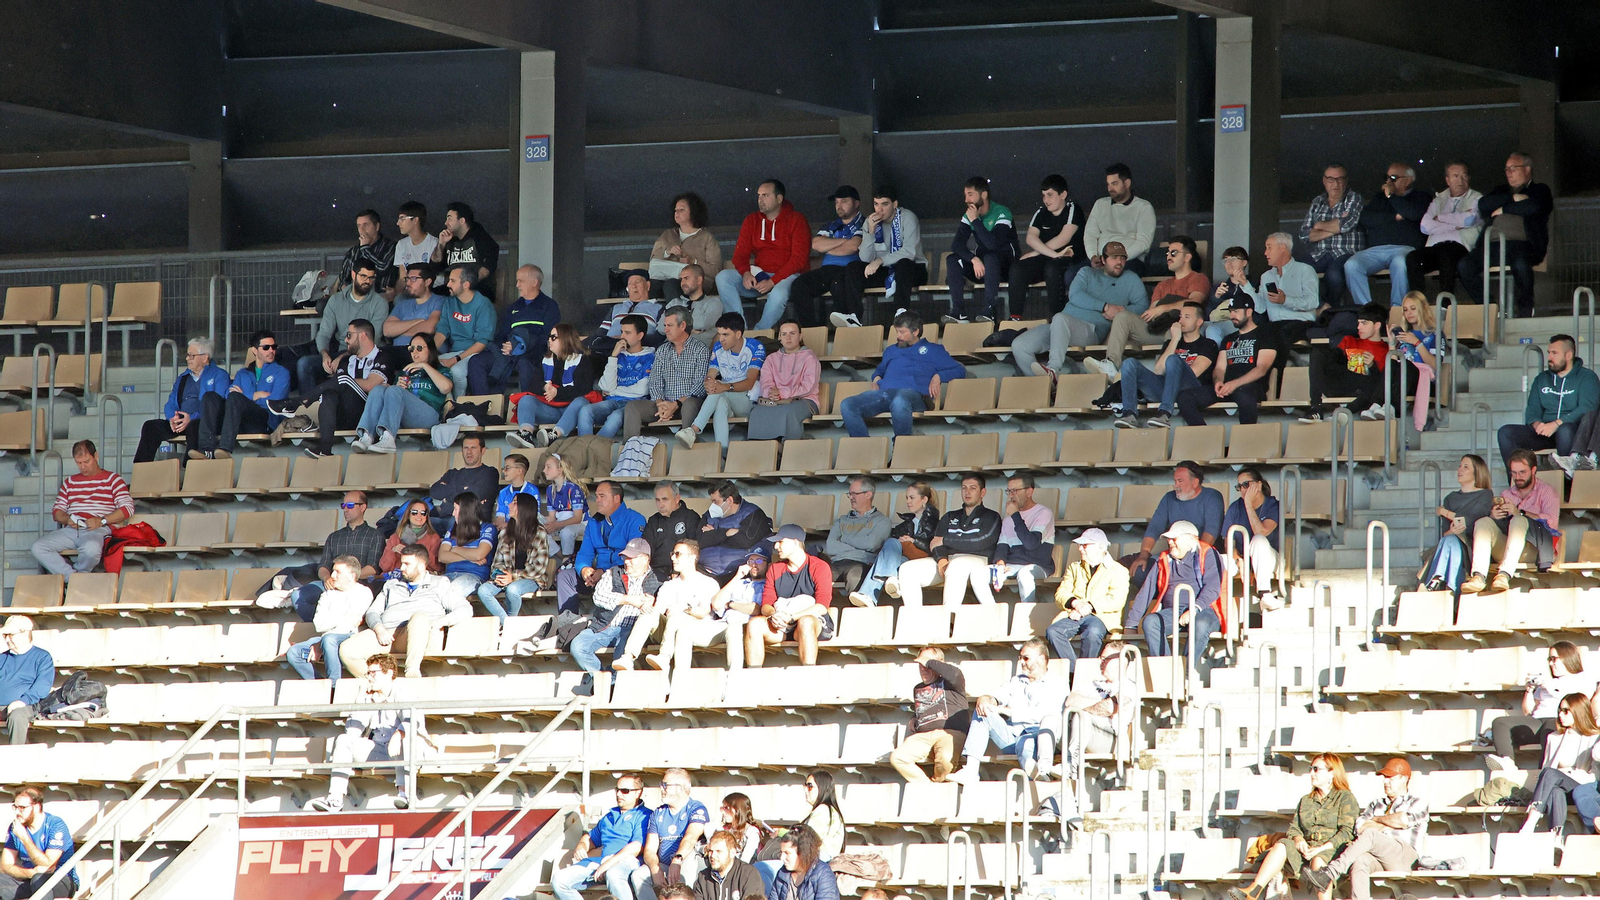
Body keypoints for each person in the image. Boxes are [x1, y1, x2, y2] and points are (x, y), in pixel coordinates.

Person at [307, 653, 434, 811]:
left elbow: (413, 721)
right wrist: (360, 702)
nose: (369, 677)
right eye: (368, 673)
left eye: (373, 673)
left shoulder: (403, 691)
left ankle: (405, 793)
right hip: (381, 749)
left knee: (404, 738)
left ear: (388, 673)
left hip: (412, 750)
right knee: (343, 740)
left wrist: (397, 735)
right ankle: (335, 799)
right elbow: (352, 731)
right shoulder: (368, 696)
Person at [1224, 753, 1358, 900]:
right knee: (1282, 845)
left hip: (1332, 850)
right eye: (1310, 769)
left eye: (1316, 769)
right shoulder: (1306, 800)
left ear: (1331, 773)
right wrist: (1299, 840)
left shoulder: (1345, 798)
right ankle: (1252, 891)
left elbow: (1347, 832)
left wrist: (1321, 848)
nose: (1311, 773)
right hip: (1306, 848)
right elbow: (1294, 827)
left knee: (1318, 861)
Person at [1011, 241, 1148, 378]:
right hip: (1060, 327)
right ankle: (1047, 386)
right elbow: (1075, 295)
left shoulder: (1131, 278)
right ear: (1103, 259)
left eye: (1123, 258)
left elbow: (1142, 306)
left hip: (1090, 331)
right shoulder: (1087, 272)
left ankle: (1053, 369)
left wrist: (1121, 311)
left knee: (1060, 318)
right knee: (1019, 345)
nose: (1119, 262)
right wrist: (1105, 306)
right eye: (1114, 258)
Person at [1301, 758, 1429, 900]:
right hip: (1379, 857)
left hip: (1405, 856)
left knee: (1371, 834)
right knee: (1360, 860)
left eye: (1390, 778)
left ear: (1404, 779)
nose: (1385, 782)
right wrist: (1389, 823)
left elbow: (1403, 820)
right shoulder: (1376, 804)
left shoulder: (1417, 802)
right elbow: (1360, 828)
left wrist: (1376, 820)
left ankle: (1330, 873)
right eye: (1384, 778)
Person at [339, 544, 472, 678]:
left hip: (420, 634)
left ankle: (412, 673)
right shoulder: (392, 584)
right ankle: (377, 684)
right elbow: (372, 612)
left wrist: (441, 622)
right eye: (401, 563)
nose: (401, 568)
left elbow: (465, 609)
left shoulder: (439, 583)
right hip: (387, 634)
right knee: (347, 650)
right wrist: (379, 629)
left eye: (407, 564)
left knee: (419, 618)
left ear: (421, 566)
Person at [1086, 234, 1208, 376]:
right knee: (1123, 316)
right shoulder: (1162, 285)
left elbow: (1194, 302)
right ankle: (1111, 364)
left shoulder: (1199, 278)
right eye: (1167, 253)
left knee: (1175, 328)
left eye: (1173, 253)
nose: (1168, 256)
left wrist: (1162, 308)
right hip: (1157, 329)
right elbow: (1151, 314)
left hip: (1179, 329)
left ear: (1187, 257)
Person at [949, 638, 1066, 783]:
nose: (1021, 662)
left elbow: (1046, 716)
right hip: (1011, 736)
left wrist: (1004, 711)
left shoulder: (1057, 683)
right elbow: (996, 697)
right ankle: (971, 770)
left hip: (1037, 736)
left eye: (1026, 658)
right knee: (982, 711)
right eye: (1020, 658)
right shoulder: (1015, 681)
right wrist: (986, 699)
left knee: (1027, 744)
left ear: (1041, 659)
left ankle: (1039, 778)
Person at [259, 490, 383, 620]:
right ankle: (320, 626)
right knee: (298, 597)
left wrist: (346, 579)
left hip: (358, 585)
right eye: (343, 505)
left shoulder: (375, 535)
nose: (345, 509)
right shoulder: (334, 537)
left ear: (363, 507)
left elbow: (373, 568)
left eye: (350, 505)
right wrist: (327, 578)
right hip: (331, 584)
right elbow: (323, 566)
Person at [839, 312, 966, 438]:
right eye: (897, 331)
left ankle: (900, 448)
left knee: (900, 400)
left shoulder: (934, 350)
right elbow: (880, 371)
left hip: (915, 395)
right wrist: (876, 378)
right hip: (885, 393)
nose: (898, 336)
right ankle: (862, 449)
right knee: (847, 404)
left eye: (902, 332)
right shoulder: (890, 350)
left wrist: (938, 377)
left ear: (915, 332)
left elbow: (959, 370)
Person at [1485, 640, 1600, 772]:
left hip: (1559, 720)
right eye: (1549, 659)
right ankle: (1507, 761)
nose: (1551, 663)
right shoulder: (1548, 682)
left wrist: (1551, 688)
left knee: (1550, 729)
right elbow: (1528, 711)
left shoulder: (1582, 678)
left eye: (1554, 659)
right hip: (1537, 720)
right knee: (1500, 722)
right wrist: (1529, 691)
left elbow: (1578, 701)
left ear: (1567, 657)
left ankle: (1543, 773)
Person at [891, 473, 1001, 607]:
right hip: (947, 560)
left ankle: (948, 618)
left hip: (977, 560)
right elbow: (935, 543)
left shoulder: (991, 516)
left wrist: (946, 541)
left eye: (973, 488)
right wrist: (941, 558)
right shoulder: (950, 516)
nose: (967, 492)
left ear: (982, 492)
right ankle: (915, 620)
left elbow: (981, 542)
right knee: (907, 569)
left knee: (957, 565)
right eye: (964, 488)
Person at [1465, 151, 1553, 318]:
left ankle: (1526, 308)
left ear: (1527, 169)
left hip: (1522, 244)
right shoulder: (1501, 190)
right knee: (1465, 266)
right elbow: (1483, 205)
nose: (1509, 172)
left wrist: (1503, 209)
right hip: (1492, 244)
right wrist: (1513, 198)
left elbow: (1534, 206)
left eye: (1513, 168)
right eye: (1506, 169)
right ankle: (1491, 309)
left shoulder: (1539, 189)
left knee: (1520, 264)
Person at [1461, 449, 1560, 595]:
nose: (1517, 477)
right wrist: (1494, 516)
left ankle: (1504, 575)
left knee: (1519, 519)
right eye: (1513, 473)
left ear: (1533, 470)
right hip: (1507, 546)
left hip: (1534, 548)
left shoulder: (1547, 492)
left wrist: (1521, 513)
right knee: (1484, 522)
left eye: (1522, 472)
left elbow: (1552, 523)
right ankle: (1478, 576)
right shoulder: (1507, 494)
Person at [717, 178, 811, 331]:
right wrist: (746, 273)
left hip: (789, 276)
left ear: (779, 199)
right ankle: (738, 330)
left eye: (765, 195)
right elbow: (740, 255)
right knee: (723, 277)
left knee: (779, 293)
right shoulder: (751, 220)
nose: (760, 200)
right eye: (759, 195)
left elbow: (799, 260)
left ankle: (759, 333)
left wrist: (773, 281)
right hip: (760, 277)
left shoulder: (796, 220)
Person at [570, 538, 660, 696]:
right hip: (605, 626)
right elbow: (598, 597)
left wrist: (654, 603)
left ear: (646, 558)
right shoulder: (613, 572)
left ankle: (609, 687)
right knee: (578, 646)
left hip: (633, 630)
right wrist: (628, 599)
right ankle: (603, 679)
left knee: (623, 654)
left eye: (632, 558)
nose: (627, 562)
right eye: (626, 557)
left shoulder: (659, 579)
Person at [1176, 295, 1283, 427]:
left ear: (1248, 312)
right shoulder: (1228, 339)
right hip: (1227, 387)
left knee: (1243, 394)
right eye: (1231, 311)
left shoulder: (1265, 335)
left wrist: (1235, 384)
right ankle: (1205, 436)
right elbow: (1220, 368)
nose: (1232, 315)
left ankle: (1245, 440)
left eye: (1236, 311)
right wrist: (1218, 382)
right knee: (1185, 397)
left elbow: (1261, 369)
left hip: (1251, 387)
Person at [30, 440, 132, 577]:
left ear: (96, 456)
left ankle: (77, 578)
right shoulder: (70, 482)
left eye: (86, 461)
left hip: (98, 528)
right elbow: (57, 511)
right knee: (38, 547)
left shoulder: (113, 480)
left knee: (91, 549)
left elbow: (128, 509)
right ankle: (74, 579)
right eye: (79, 463)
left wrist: (101, 521)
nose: (83, 467)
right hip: (72, 529)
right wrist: (67, 519)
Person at [295, 319, 393, 460]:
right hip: (344, 416)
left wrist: (346, 381)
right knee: (329, 394)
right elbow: (338, 384)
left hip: (368, 416)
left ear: (362, 336)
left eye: (349, 335)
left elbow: (371, 385)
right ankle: (325, 448)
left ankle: (296, 402)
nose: (345, 340)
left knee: (342, 380)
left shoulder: (383, 357)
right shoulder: (346, 360)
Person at [1498, 334, 1599, 470]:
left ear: (1568, 355)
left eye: (1554, 353)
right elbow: (1532, 409)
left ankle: (1568, 484)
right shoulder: (1542, 379)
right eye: (1549, 353)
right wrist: (1537, 424)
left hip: (1572, 432)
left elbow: (1587, 408)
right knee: (1505, 432)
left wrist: (1556, 424)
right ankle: (1517, 481)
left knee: (1565, 430)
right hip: (1545, 432)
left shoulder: (1586, 377)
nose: (1549, 358)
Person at [1109, 302, 1217, 429]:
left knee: (1173, 359)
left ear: (1199, 322)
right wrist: (1175, 340)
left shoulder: (1208, 344)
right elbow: (1159, 370)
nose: (1181, 320)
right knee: (1129, 363)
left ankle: (1164, 414)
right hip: (1165, 388)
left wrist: (1175, 362)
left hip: (1189, 390)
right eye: (1181, 316)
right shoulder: (1171, 343)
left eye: (1187, 317)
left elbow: (1195, 372)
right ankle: (1129, 414)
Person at [1124, 521, 1222, 658]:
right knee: (1151, 622)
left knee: (1199, 624)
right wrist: (1131, 624)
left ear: (1190, 539)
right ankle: (1166, 670)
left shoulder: (1208, 553)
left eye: (1174, 539)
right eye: (1169, 539)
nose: (1170, 542)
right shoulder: (1164, 559)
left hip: (1204, 610)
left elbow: (1213, 587)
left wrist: (1194, 609)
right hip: (1173, 612)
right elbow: (1146, 592)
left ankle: (1187, 673)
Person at [291, 259, 390, 393]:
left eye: (371, 277)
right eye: (364, 276)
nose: (368, 281)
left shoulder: (380, 303)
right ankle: (307, 409)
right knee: (304, 364)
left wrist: (344, 356)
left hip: (365, 356)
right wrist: (325, 354)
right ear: (354, 275)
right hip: (338, 352)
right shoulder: (336, 299)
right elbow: (324, 333)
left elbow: (373, 339)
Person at [550, 773, 652, 900]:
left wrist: (609, 863)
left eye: (625, 791)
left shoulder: (644, 815)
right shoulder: (609, 816)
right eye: (617, 790)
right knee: (559, 880)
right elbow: (590, 838)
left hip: (628, 861)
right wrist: (581, 846)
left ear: (638, 793)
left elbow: (636, 847)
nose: (619, 794)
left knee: (614, 874)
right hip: (602, 861)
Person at [192, 330, 290, 459]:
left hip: (264, 420)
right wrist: (255, 395)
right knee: (210, 396)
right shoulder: (242, 373)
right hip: (240, 420)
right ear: (254, 351)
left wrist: (245, 397)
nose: (271, 350)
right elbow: (228, 396)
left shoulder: (281, 372)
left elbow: (275, 402)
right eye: (266, 347)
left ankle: (225, 448)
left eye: (274, 347)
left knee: (236, 398)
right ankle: (206, 450)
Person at [746, 525, 834, 667]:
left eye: (781, 542)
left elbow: (822, 606)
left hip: (812, 622)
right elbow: (766, 604)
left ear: (794, 542)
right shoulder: (775, 568)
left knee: (805, 622)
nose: (776, 546)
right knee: (754, 624)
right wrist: (774, 615)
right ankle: (754, 675)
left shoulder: (819, 566)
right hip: (782, 622)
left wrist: (793, 617)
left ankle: (809, 673)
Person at [635, 541, 725, 677]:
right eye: (672, 554)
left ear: (692, 558)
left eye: (678, 554)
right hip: (668, 630)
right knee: (647, 614)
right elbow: (658, 610)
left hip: (699, 629)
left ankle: (665, 657)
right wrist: (647, 608)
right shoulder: (668, 585)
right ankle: (628, 657)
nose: (672, 558)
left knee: (677, 615)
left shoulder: (708, 583)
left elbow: (702, 613)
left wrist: (684, 608)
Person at [1344, 163, 1429, 307]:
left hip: (1404, 248)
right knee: (1352, 265)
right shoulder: (1379, 198)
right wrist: (1393, 217)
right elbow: (1365, 218)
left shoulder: (1421, 196)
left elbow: (1413, 213)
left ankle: (1398, 309)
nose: (1388, 182)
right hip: (1376, 250)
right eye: (1387, 177)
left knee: (1400, 263)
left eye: (1394, 178)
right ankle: (1367, 311)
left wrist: (1391, 196)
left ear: (1408, 180)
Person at [133, 336, 229, 463]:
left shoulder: (219, 376)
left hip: (203, 423)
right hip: (180, 423)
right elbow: (171, 402)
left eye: (192, 355)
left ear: (205, 358)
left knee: (195, 425)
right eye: (187, 355)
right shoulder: (183, 378)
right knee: (150, 426)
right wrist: (173, 417)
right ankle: (141, 470)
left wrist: (192, 417)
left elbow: (217, 405)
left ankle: (189, 467)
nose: (187, 358)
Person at [677, 313, 765, 451]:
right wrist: (709, 383)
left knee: (719, 394)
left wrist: (724, 387)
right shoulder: (718, 348)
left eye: (725, 335)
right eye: (719, 334)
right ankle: (722, 450)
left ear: (738, 334)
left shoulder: (755, 347)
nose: (721, 339)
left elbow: (749, 383)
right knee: (719, 401)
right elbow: (710, 375)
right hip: (726, 398)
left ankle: (693, 430)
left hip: (749, 401)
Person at [351, 332, 450, 454]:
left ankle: (388, 438)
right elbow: (394, 399)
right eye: (411, 349)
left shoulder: (440, 370)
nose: (415, 352)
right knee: (378, 389)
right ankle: (367, 436)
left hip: (429, 415)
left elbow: (446, 388)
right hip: (405, 416)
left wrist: (424, 366)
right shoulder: (405, 372)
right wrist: (397, 388)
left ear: (430, 349)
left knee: (393, 390)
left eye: (419, 348)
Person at [557, 481, 647, 614]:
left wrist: (605, 572)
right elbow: (585, 553)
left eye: (602, 496)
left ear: (616, 498)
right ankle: (567, 625)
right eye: (597, 496)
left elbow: (634, 556)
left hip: (621, 574)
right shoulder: (594, 522)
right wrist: (584, 569)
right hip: (595, 576)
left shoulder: (635, 520)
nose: (597, 500)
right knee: (565, 577)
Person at [472, 263, 562, 394]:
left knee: (524, 364)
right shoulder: (513, 307)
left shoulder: (549, 306)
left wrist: (521, 346)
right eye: (517, 281)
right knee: (476, 361)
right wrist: (506, 346)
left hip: (533, 355)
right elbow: (502, 334)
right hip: (507, 354)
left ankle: (526, 404)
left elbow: (549, 337)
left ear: (534, 282)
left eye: (521, 281)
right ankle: (482, 406)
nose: (517, 285)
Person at [1046, 529, 1128, 671]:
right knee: (1053, 632)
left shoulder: (1118, 570)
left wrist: (1087, 606)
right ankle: (1076, 673)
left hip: (1101, 617)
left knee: (1093, 632)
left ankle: (1084, 673)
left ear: (1101, 547)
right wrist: (1076, 603)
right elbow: (1061, 593)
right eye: (1080, 545)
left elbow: (1116, 600)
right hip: (1075, 614)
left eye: (1085, 545)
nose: (1080, 548)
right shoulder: (1074, 567)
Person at [623, 310, 712, 440]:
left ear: (682, 326)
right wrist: (660, 403)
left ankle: (689, 446)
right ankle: (629, 452)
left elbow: (700, 385)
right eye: (665, 326)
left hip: (688, 403)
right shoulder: (662, 350)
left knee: (689, 404)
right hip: (663, 405)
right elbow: (654, 381)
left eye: (669, 325)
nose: (666, 330)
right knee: (633, 407)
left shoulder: (700, 349)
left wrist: (676, 404)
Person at [1130, 462, 1225, 582]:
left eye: (1180, 481)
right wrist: (1143, 555)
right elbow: (1154, 528)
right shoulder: (1169, 498)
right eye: (1175, 481)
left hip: (1204, 557)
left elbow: (1211, 530)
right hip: (1174, 556)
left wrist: (1192, 559)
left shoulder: (1212, 496)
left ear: (1195, 482)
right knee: (1140, 571)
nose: (1176, 485)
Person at [509, 324, 600, 449]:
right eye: (549, 337)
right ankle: (525, 434)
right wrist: (545, 388)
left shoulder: (582, 360)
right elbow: (533, 384)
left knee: (581, 401)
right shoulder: (546, 360)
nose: (549, 340)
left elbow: (583, 388)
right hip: (551, 409)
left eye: (553, 337)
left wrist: (558, 392)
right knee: (526, 399)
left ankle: (554, 435)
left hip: (571, 409)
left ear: (566, 339)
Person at [849, 482, 939, 608]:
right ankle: (877, 590)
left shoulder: (936, 522)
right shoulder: (907, 523)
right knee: (889, 549)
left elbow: (934, 546)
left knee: (891, 544)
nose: (908, 501)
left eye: (912, 498)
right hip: (906, 559)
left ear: (924, 499)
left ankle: (872, 591)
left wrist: (913, 541)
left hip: (924, 559)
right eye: (907, 498)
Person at [1008, 174, 1086, 318]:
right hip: (1051, 257)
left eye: (1049, 195)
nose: (1046, 200)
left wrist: (1037, 252)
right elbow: (1030, 238)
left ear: (1063, 194)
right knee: (1017, 267)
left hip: (1071, 258)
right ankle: (1015, 316)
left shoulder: (1073, 209)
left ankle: (1058, 317)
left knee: (1052, 268)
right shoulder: (1041, 213)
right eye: (1043, 195)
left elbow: (1063, 239)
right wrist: (1053, 254)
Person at [285, 556, 373, 685]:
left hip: (351, 638)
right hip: (327, 638)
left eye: (338, 572)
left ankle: (334, 685)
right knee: (294, 653)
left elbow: (350, 625)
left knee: (329, 639)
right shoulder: (327, 594)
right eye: (333, 571)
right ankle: (323, 686)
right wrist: (343, 615)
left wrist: (331, 620)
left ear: (351, 575)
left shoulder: (363, 592)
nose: (332, 575)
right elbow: (319, 625)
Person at [1519, 695, 1600, 834]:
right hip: (1560, 787)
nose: (1560, 715)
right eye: (1559, 710)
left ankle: (1531, 819)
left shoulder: (1594, 737)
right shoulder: (1553, 738)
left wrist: (1569, 773)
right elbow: (1546, 770)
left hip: (1582, 788)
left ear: (1578, 711)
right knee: (1555, 788)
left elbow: (1594, 777)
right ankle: (1556, 837)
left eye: (1565, 711)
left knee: (1551, 774)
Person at [788, 186, 866, 328]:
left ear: (856, 203)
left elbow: (854, 246)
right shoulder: (831, 225)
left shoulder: (864, 223)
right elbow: (817, 244)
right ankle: (811, 329)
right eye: (836, 202)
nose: (839, 206)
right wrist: (844, 241)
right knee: (799, 285)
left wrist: (829, 246)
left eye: (844, 201)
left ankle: (845, 330)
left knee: (838, 285)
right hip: (827, 269)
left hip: (850, 270)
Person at [889, 647, 970, 783]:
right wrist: (914, 718)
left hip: (949, 733)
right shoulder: (918, 688)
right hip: (923, 736)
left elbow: (955, 674)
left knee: (945, 760)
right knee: (897, 757)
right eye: (920, 665)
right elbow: (926, 708)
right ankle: (928, 787)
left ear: (939, 663)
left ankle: (937, 782)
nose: (923, 668)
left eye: (927, 664)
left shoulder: (953, 682)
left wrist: (930, 662)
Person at [1301, 303, 1392, 422]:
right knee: (1318, 353)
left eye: (1364, 323)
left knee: (1377, 376)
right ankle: (1316, 408)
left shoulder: (1386, 350)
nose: (1359, 327)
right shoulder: (1349, 340)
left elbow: (1382, 384)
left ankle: (1346, 410)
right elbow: (1332, 363)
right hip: (1339, 384)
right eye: (1358, 323)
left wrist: (1372, 366)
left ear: (1377, 325)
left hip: (1365, 392)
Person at [943, 176, 1015, 324]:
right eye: (965, 195)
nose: (966, 200)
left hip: (1006, 268)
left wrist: (976, 220)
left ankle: (990, 310)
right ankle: (958, 312)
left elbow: (993, 245)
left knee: (990, 257)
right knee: (952, 259)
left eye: (970, 194)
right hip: (983, 268)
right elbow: (956, 245)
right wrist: (973, 259)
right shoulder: (969, 215)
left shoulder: (1002, 212)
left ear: (983, 195)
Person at [850, 185, 926, 322]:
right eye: (876, 204)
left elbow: (910, 252)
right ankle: (854, 316)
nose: (879, 210)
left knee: (904, 263)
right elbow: (865, 258)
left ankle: (901, 311)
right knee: (854, 267)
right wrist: (870, 232)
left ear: (894, 204)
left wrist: (880, 260)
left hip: (913, 269)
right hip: (885, 271)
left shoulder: (907, 217)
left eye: (884, 204)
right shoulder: (870, 222)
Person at [1417, 455, 1494, 593]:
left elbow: (1470, 519)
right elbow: (1445, 533)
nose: (1460, 469)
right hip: (1453, 545)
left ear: (1477, 472)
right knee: (1450, 540)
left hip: (1473, 547)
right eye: (1460, 466)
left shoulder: (1485, 495)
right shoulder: (1450, 498)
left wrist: (1443, 512)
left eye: (1465, 467)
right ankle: (1448, 590)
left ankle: (1433, 581)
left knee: (1452, 543)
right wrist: (1452, 530)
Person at [1295, 163, 1365, 307]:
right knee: (1292, 270)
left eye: (1340, 179)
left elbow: (1347, 224)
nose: (1336, 184)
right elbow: (1304, 234)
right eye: (1331, 180)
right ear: (1324, 181)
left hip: (1346, 252)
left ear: (1345, 181)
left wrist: (1319, 225)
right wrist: (1336, 226)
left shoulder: (1353, 198)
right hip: (1319, 254)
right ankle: (1319, 306)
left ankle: (1330, 309)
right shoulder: (1317, 202)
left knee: (1334, 275)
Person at [476, 494, 550, 624]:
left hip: (531, 579)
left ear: (524, 508)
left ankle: (509, 625)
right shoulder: (505, 532)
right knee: (483, 591)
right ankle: (508, 624)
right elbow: (497, 562)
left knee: (513, 590)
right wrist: (500, 575)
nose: (509, 505)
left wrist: (513, 577)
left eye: (514, 503)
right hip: (507, 576)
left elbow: (538, 568)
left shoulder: (539, 532)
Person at [1411, 161, 1481, 297]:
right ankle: (1418, 302)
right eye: (1455, 176)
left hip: (1461, 248)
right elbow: (1425, 226)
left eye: (1464, 176)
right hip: (1435, 248)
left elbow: (1469, 219)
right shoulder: (1439, 199)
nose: (1460, 180)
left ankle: (1445, 304)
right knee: (1412, 258)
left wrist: (1440, 218)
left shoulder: (1477, 198)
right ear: (1447, 180)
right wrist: (1455, 224)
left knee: (1447, 253)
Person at [580, 316, 655, 438]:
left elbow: (642, 390)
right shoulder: (617, 354)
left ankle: (591, 447)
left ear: (640, 336)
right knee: (585, 410)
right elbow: (605, 386)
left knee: (615, 417)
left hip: (633, 405)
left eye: (628, 333)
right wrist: (613, 357)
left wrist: (613, 390)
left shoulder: (650, 357)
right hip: (612, 401)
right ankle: (585, 447)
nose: (622, 337)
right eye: (622, 332)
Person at [641, 768, 710, 897]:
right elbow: (649, 850)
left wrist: (677, 860)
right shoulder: (658, 813)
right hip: (664, 863)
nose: (661, 789)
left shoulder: (696, 808)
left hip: (684, 860)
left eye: (665, 785)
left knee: (688, 862)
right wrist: (655, 869)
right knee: (639, 876)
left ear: (680, 788)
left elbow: (691, 837)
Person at [748, 319, 821, 441]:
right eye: (784, 334)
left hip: (805, 401)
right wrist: (771, 392)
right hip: (775, 400)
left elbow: (808, 387)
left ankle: (788, 448)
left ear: (800, 336)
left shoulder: (810, 358)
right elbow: (766, 382)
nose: (788, 337)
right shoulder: (771, 358)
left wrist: (781, 393)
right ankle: (763, 449)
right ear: (779, 337)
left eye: (792, 333)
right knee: (757, 411)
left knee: (788, 411)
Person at [1223, 468, 1282, 611]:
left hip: (1270, 558)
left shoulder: (1273, 505)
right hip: (1243, 559)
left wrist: (1248, 504)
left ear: (1258, 485)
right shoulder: (1235, 507)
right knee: (1221, 559)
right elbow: (1228, 541)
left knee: (1258, 540)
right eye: (1239, 486)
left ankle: (1265, 594)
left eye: (1246, 485)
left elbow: (1261, 531)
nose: (1243, 490)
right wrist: (1238, 559)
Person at [0, 787, 76, 899]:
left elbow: (47, 865)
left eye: (22, 808)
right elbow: (5, 866)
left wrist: (24, 838)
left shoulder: (55, 825)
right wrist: (30, 873)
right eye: (15, 807)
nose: (17, 812)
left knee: (39, 879)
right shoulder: (15, 827)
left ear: (36, 807)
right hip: (29, 879)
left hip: (60, 880)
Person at [991, 475, 1056, 604]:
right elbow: (1002, 545)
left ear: (1029, 492)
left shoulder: (1044, 513)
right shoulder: (1009, 517)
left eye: (1015, 491)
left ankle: (1025, 617)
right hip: (1012, 565)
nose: (1011, 495)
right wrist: (1000, 562)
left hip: (1037, 565)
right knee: (978, 575)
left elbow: (1031, 544)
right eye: (1009, 491)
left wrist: (1015, 515)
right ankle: (992, 612)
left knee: (1025, 573)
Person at [824, 477, 893, 599]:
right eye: (849, 494)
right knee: (818, 576)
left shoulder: (882, 521)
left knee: (854, 577)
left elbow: (872, 544)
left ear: (868, 495)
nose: (851, 497)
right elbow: (830, 546)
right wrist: (860, 545)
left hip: (862, 563)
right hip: (837, 563)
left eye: (854, 494)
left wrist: (844, 538)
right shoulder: (842, 520)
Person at [1084, 163, 1156, 277]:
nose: (1110, 189)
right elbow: (1090, 234)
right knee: (1072, 274)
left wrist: (1118, 258)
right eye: (1108, 184)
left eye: (1114, 183)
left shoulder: (1143, 207)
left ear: (1127, 183)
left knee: (1124, 275)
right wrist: (1093, 256)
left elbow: (1143, 242)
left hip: (1129, 260)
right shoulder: (1100, 204)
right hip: (1101, 260)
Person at [436, 265, 498, 397]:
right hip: (455, 350)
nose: (448, 284)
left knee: (457, 371)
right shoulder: (450, 302)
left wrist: (455, 359)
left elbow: (482, 343)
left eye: (452, 281)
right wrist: (429, 352)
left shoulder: (483, 304)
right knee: (432, 366)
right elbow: (443, 329)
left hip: (476, 353)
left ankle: (460, 406)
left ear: (466, 284)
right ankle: (448, 406)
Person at [1249, 232, 1320, 345]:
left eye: (1269, 248)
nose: (1265, 252)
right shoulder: (1266, 276)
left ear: (1283, 247)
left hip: (1301, 323)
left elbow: (1313, 302)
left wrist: (1285, 300)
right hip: (1275, 325)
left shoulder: (1305, 270)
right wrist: (1244, 283)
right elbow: (1261, 308)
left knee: (1278, 335)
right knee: (1254, 336)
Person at [650, 192, 722, 300]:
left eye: (681, 210)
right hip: (664, 278)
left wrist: (694, 262)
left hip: (694, 284)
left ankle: (678, 316)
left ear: (693, 212)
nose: (677, 213)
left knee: (671, 285)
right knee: (651, 284)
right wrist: (667, 252)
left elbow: (715, 270)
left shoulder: (706, 237)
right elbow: (653, 261)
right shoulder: (667, 234)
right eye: (675, 210)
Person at [708, 551, 769, 670]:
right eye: (750, 561)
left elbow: (756, 609)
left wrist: (731, 604)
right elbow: (716, 604)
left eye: (759, 561)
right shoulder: (738, 583)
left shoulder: (767, 585)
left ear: (768, 564)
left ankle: (734, 675)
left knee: (734, 628)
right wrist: (737, 576)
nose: (754, 565)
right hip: (723, 624)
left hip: (745, 627)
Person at [428, 432, 498, 532]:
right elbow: (434, 491)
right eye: (466, 448)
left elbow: (475, 494)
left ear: (483, 451)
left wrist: (447, 496)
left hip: (470, 522)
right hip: (443, 519)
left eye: (473, 448)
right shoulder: (452, 473)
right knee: (410, 524)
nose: (469, 452)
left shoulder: (489, 472)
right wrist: (463, 489)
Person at [430, 201, 500, 299]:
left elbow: (489, 264)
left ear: (462, 221)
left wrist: (468, 283)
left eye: (449, 218)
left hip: (477, 288)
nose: (446, 223)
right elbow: (435, 267)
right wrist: (441, 244)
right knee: (429, 296)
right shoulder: (450, 240)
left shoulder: (480, 236)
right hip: (453, 287)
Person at [0, 618, 53, 746]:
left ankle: (16, 758)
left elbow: (43, 685)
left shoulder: (42, 657)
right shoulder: (2, 658)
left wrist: (22, 701)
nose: (7, 639)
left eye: (11, 635)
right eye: (5, 635)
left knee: (17, 716)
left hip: (27, 706)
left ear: (24, 634)